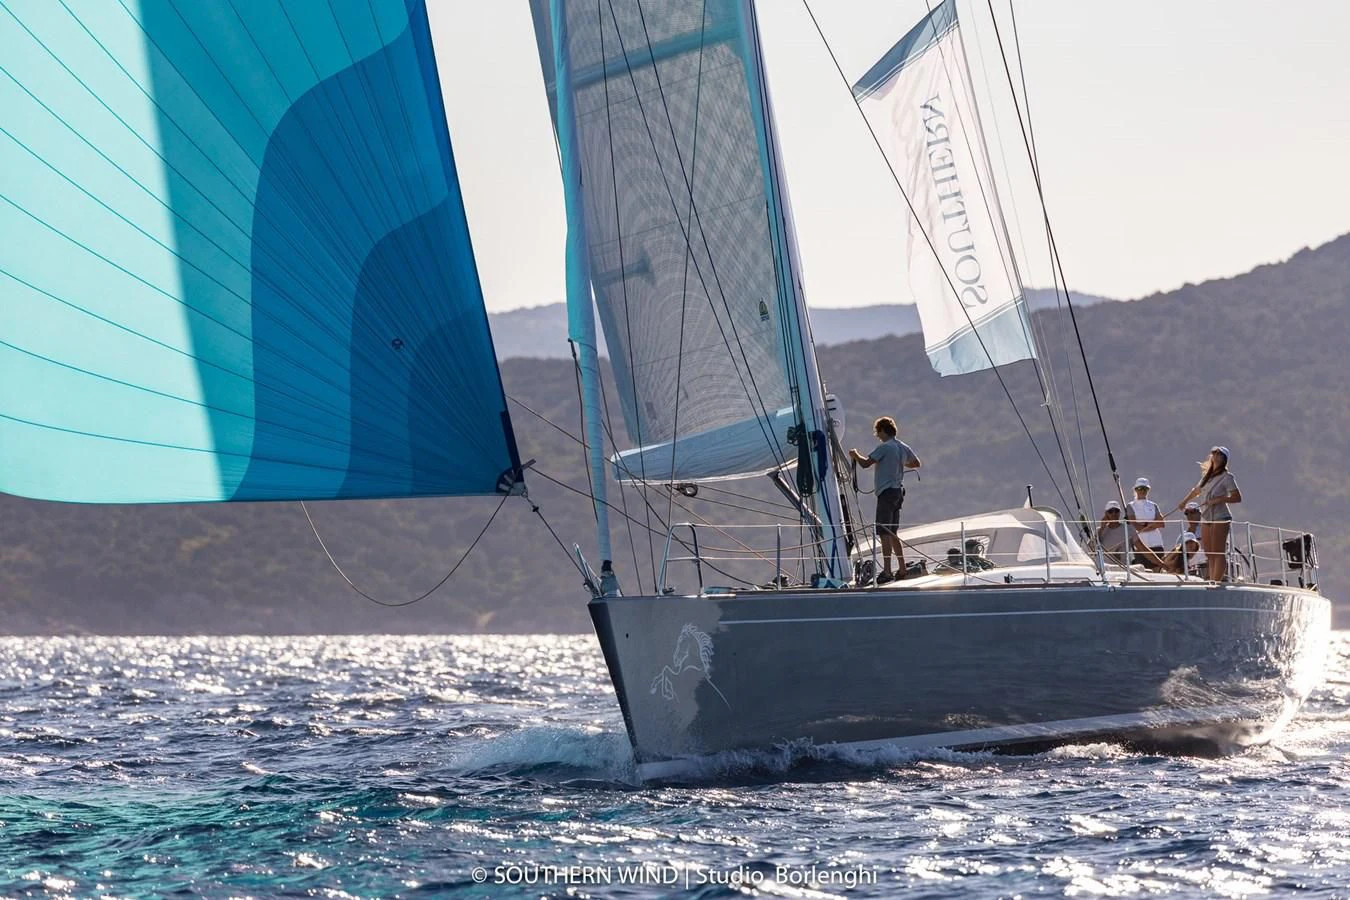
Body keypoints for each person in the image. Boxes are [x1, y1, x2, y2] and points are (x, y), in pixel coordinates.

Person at [849, 416, 921, 583]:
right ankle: (902, 568)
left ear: (882, 430)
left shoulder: (884, 447)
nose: (877, 435)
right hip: (898, 492)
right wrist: (899, 464)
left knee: (884, 532)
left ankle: (887, 571)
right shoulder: (902, 446)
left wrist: (854, 455)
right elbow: (916, 463)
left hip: (886, 493)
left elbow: (866, 463)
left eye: (877, 431)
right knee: (893, 532)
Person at [1178, 445, 1242, 582]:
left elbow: (1237, 497)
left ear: (1224, 459)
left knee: (1218, 552)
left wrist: (1219, 499)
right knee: (1209, 552)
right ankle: (1212, 579)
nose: (1216, 456)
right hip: (1206, 516)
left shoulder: (1227, 477)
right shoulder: (1207, 477)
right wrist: (1184, 502)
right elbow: (1196, 490)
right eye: (1214, 453)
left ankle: (1216, 581)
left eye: (1219, 454)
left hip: (1220, 516)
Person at [1127, 477, 1167, 558]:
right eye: (1140, 488)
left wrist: (1145, 525)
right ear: (1135, 490)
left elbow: (1162, 524)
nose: (1142, 491)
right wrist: (1152, 525)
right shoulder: (1130, 506)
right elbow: (1135, 526)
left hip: (1156, 543)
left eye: (1145, 489)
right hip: (1141, 545)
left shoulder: (1153, 505)